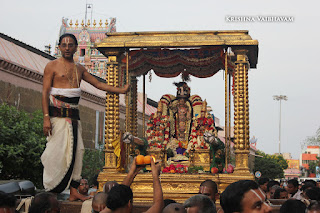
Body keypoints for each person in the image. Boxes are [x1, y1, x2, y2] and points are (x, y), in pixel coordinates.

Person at [41, 33, 129, 194]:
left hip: (74, 118)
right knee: (56, 153)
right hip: (57, 118)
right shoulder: (51, 66)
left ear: (76, 48)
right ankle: (51, 189)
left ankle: (74, 191)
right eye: (64, 45)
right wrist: (46, 118)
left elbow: (98, 84)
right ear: (59, 47)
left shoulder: (79, 69)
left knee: (78, 152)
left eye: (70, 45)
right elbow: (45, 93)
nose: (67, 48)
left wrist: (121, 90)